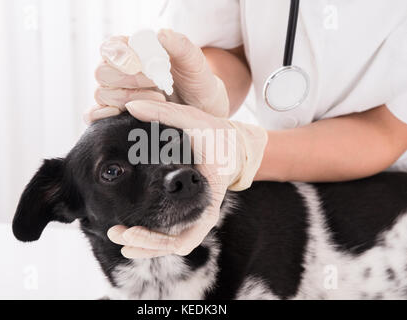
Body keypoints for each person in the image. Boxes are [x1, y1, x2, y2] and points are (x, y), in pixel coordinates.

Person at [85, 0, 407, 259]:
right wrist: (197, 89)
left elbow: (387, 129)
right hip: (272, 195)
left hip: (392, 204)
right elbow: (228, 50)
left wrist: (244, 153)